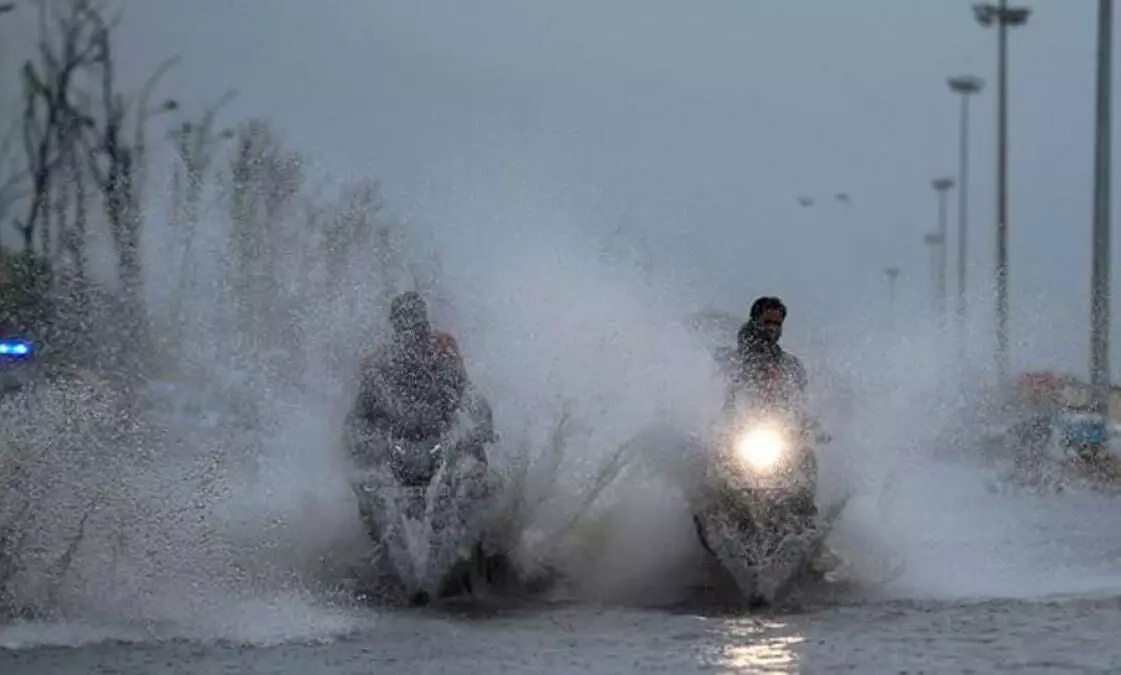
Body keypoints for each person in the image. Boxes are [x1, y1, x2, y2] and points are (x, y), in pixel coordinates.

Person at [349, 291, 494, 465]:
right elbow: (360, 413)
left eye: (416, 324)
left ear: (424, 323)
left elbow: (466, 390)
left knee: (473, 464)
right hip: (397, 438)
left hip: (443, 430)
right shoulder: (380, 360)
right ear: (395, 327)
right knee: (366, 464)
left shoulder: (442, 347)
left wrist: (483, 426)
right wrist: (362, 441)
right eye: (403, 324)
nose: (411, 335)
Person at [723, 296, 808, 413]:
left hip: (778, 418)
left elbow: (800, 400)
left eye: (777, 324)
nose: (772, 328)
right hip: (742, 415)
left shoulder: (790, 365)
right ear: (755, 322)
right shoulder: (735, 360)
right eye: (767, 322)